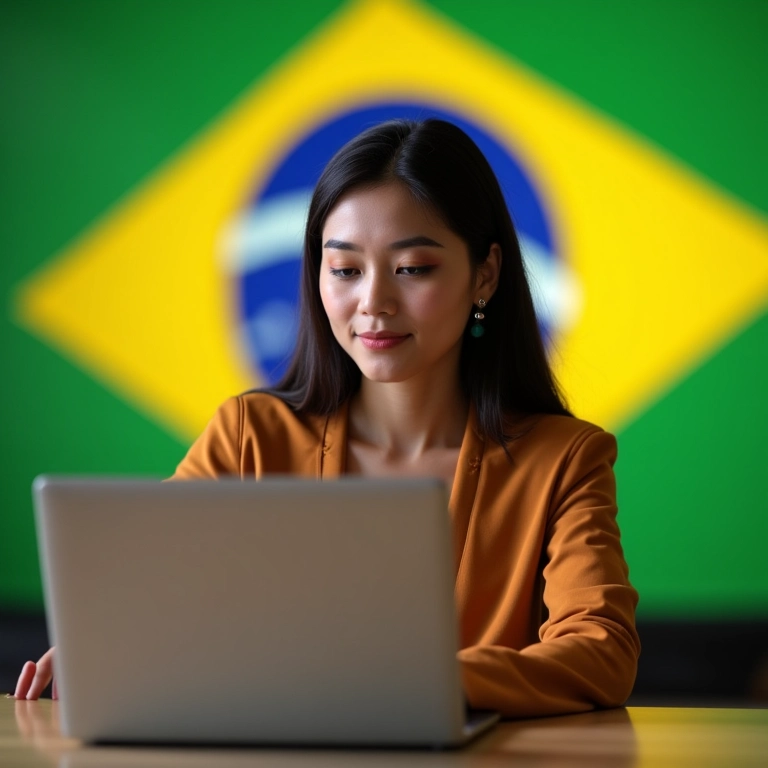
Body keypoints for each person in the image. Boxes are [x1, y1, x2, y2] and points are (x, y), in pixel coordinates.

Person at [15, 118, 640, 717]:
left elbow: (601, 650)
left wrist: (430, 683)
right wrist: (105, 648)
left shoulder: (565, 458)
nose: (373, 303)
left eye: (413, 269)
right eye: (344, 269)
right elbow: (150, 603)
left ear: (486, 274)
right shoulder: (247, 438)